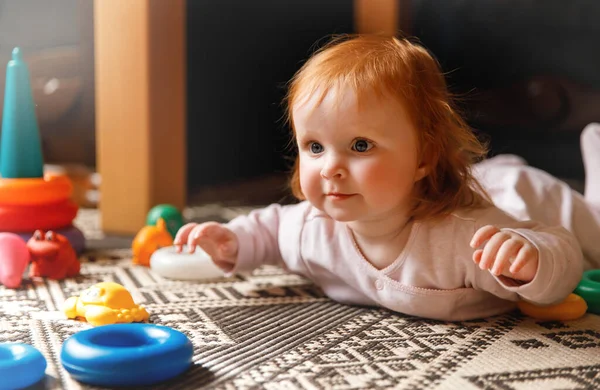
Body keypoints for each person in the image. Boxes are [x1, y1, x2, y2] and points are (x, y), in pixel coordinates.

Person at [174, 35, 584, 321]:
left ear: (424, 157)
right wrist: (232, 242)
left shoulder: (468, 236)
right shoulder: (314, 227)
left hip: (521, 192)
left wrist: (531, 261)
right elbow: (271, 229)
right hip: (478, 181)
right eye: (315, 147)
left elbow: (563, 262)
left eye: (360, 146)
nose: (330, 167)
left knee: (592, 230)